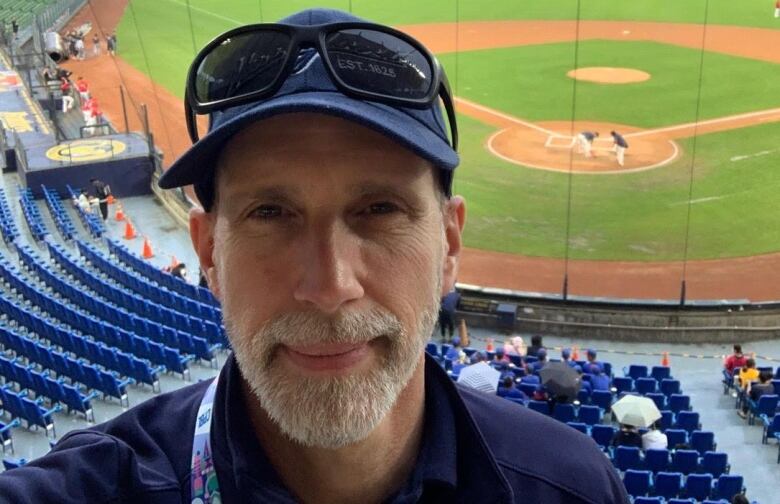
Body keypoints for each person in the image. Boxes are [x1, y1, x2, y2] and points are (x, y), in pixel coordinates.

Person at [0, 9, 629, 503]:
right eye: (270, 213)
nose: (330, 286)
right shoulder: (101, 485)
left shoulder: (572, 487)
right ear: (208, 253)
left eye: (379, 210)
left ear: (450, 245)